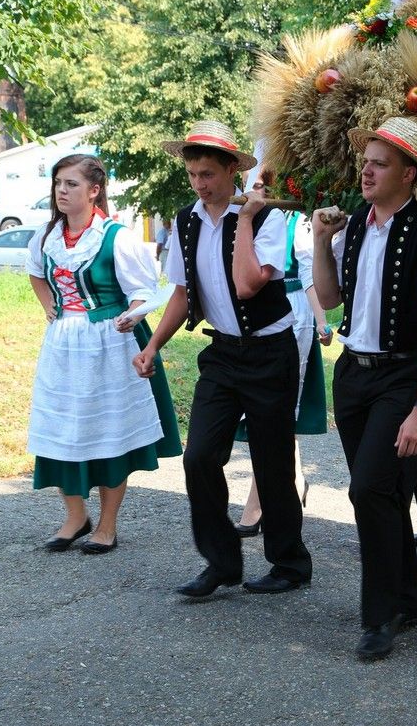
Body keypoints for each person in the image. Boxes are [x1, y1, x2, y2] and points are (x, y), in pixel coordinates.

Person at [133, 120, 313, 599]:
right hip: (222, 354)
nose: (199, 184)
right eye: (193, 174)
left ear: (233, 169)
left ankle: (289, 563)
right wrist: (153, 346)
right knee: (198, 457)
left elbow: (248, 285)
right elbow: (182, 292)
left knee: (272, 462)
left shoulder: (266, 217)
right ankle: (221, 561)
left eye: (208, 174)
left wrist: (246, 219)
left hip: (270, 351)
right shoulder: (186, 220)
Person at [310, 117, 417, 661]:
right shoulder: (354, 225)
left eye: (379, 163)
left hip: (402, 376)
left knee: (368, 491)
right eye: (366, 161)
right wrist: (321, 241)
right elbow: (330, 298)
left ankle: (380, 615)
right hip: (353, 372)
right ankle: (410, 600)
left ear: (408, 173)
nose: (366, 171)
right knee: (384, 495)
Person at [27, 154, 182, 554]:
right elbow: (35, 273)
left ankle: (107, 525)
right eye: (58, 183)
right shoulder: (46, 236)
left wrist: (134, 314)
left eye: (71, 184)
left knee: (110, 431)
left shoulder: (117, 237)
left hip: (109, 342)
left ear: (94, 191)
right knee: (62, 427)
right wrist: (49, 305)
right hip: (64, 343)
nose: (62, 191)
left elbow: (143, 290)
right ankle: (75, 517)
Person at [233, 164, 333, 537]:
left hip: (292, 313)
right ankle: (294, 480)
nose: (254, 190)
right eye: (250, 184)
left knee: (277, 407)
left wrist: (321, 320)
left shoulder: (296, 222)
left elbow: (308, 274)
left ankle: (257, 502)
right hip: (253, 315)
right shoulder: (243, 221)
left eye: (262, 184)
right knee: (263, 405)